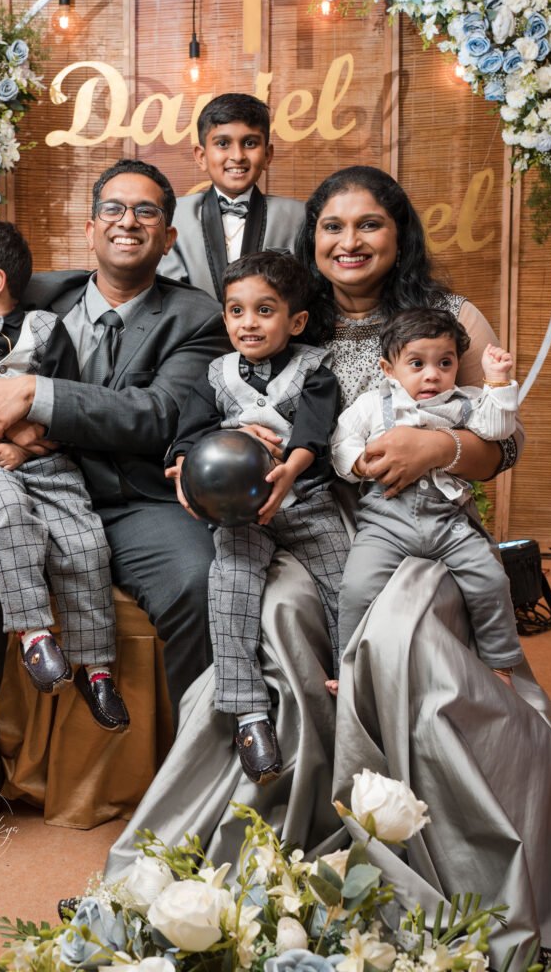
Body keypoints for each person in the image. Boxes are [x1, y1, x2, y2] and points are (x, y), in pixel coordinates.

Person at [106, 166, 551, 962]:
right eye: (333, 227)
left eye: (369, 224)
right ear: (313, 242)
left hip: (423, 526)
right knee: (276, 616)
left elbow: (505, 442)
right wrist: (209, 463)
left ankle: (419, 831)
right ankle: (268, 828)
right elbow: (220, 410)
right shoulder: (287, 315)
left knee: (401, 637)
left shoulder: (446, 317)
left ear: (399, 232)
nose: (349, 241)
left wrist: (439, 444)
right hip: (309, 521)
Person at [0, 158, 231, 882]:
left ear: (167, 236)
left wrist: (36, 398)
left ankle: (198, 789)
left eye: (145, 212)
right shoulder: (31, 292)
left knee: (200, 578)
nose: (127, 222)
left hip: (135, 501)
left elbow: (161, 414)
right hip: (31, 485)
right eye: (114, 208)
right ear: (90, 226)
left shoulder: (198, 316)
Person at [0, 220, 128, 724]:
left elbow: (68, 408)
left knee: (85, 544)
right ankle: (34, 636)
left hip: (49, 462)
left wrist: (27, 449)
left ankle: (96, 671)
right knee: (10, 511)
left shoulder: (45, 330)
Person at [166, 251, 344, 784]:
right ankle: (248, 712)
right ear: (225, 317)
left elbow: (315, 429)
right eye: (237, 311)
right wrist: (183, 469)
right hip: (240, 512)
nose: (249, 322)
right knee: (230, 580)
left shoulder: (315, 369)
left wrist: (290, 468)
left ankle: (350, 679)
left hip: (306, 500)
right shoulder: (215, 375)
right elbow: (189, 433)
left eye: (265, 311)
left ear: (297, 321)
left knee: (346, 578)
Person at [330, 306, 522, 692]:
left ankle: (500, 663)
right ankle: (351, 668)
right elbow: (341, 442)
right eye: (416, 364)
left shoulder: (465, 402)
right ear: (389, 369)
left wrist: (497, 382)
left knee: (489, 579)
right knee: (356, 588)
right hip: (386, 519)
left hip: (448, 519)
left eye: (444, 363)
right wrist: (359, 465)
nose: (432, 374)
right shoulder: (373, 404)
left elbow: (501, 431)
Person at [158, 93, 303, 300]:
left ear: (267, 155)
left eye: (250, 143)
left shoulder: (297, 217)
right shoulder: (173, 215)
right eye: (223, 144)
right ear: (201, 156)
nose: (237, 156)